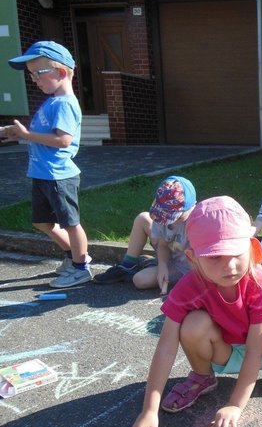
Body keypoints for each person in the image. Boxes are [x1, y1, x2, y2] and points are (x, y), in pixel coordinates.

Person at [129, 196, 262, 427]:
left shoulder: (259, 283)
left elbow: (254, 350)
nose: (229, 266)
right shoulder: (189, 286)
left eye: (236, 253)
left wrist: (235, 406)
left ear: (251, 247)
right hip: (222, 352)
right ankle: (202, 376)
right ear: (192, 257)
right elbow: (165, 347)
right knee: (193, 324)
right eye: (214, 256)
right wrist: (149, 411)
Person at [0, 41, 90, 288]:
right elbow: (42, 134)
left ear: (60, 72)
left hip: (59, 176)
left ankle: (81, 268)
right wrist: (13, 132)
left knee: (71, 223)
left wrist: (26, 135)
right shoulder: (52, 102)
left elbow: (63, 140)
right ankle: (73, 256)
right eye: (31, 75)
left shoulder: (65, 103)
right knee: (42, 222)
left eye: (38, 73)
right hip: (43, 174)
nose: (34, 80)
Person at [94, 175, 196, 293]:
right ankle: (127, 266)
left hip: (184, 268)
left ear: (192, 206)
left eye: (176, 217)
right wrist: (162, 265)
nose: (169, 221)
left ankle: (149, 263)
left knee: (140, 280)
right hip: (168, 254)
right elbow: (163, 244)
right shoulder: (162, 214)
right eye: (166, 215)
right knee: (143, 218)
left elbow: (201, 262)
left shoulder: (197, 224)